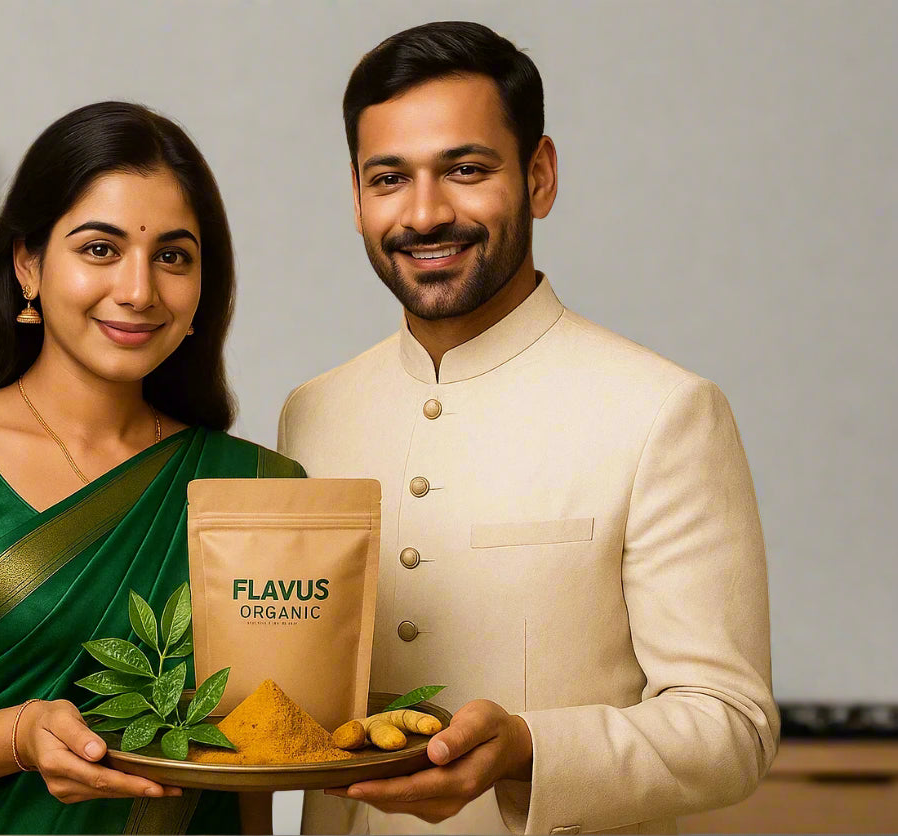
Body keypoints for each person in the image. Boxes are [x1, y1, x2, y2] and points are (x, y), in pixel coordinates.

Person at [278, 21, 778, 835]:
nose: (426, 212)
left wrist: (527, 750)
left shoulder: (662, 409)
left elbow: (732, 726)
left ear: (539, 177)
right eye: (389, 178)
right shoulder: (314, 409)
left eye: (466, 170)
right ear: (358, 197)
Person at [0, 101, 300, 835]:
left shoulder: (257, 490)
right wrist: (16, 737)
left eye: (173, 256)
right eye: (100, 249)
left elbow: (253, 764)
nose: (140, 290)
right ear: (28, 264)